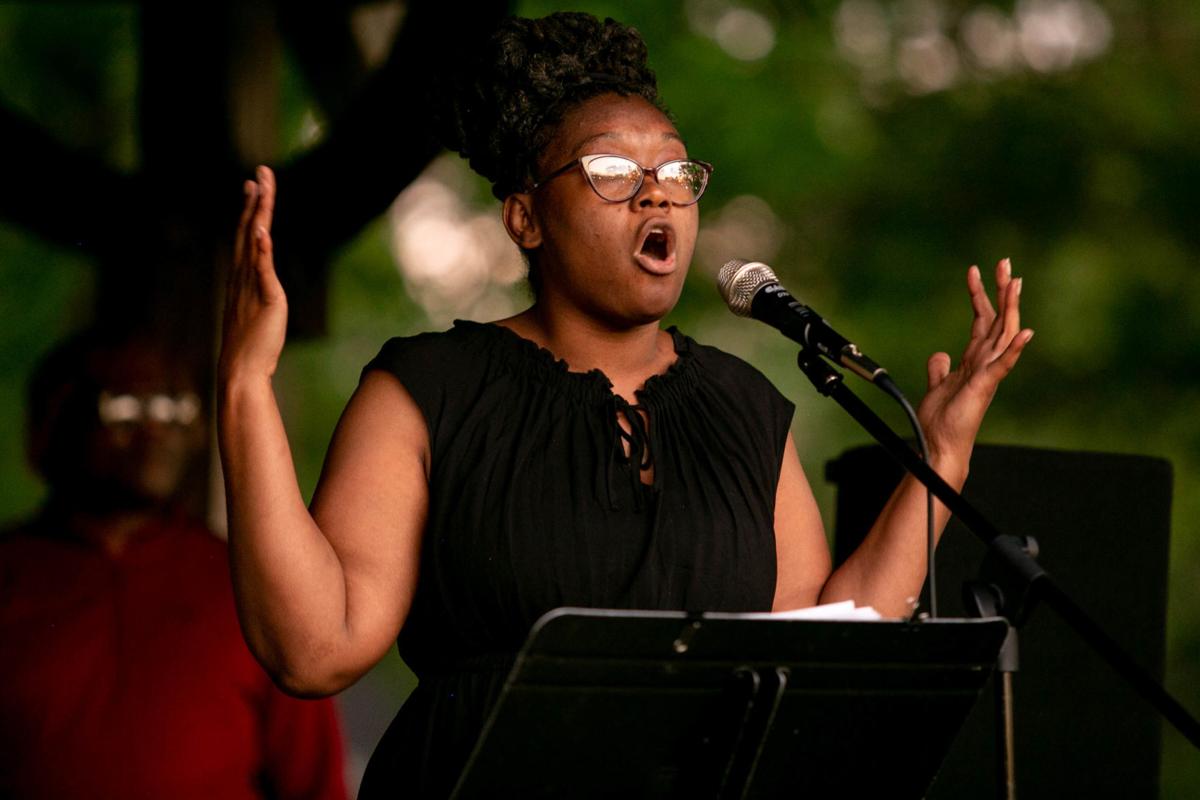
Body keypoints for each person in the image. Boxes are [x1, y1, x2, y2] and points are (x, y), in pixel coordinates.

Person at [217, 12, 1032, 799]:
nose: (658, 197)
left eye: (678, 174)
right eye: (612, 173)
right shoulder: (429, 389)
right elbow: (313, 650)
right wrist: (245, 388)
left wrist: (942, 454)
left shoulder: (743, 405)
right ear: (525, 217)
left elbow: (813, 644)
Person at [0, 328, 347, 800]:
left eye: (174, 407)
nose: (155, 429)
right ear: (50, 425)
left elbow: (316, 787)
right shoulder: (12, 574)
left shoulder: (248, 585)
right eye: (125, 405)